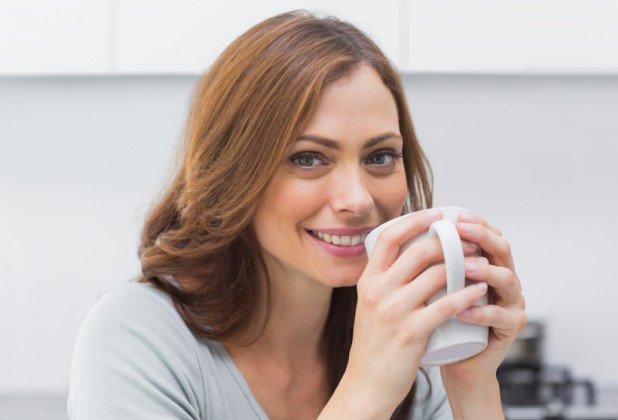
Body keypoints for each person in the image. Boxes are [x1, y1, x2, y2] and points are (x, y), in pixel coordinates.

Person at [68, 10, 526, 419]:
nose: (358, 199)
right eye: (308, 158)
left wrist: (471, 386)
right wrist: (366, 392)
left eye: (381, 156)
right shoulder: (138, 338)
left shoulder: (409, 339)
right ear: (233, 171)